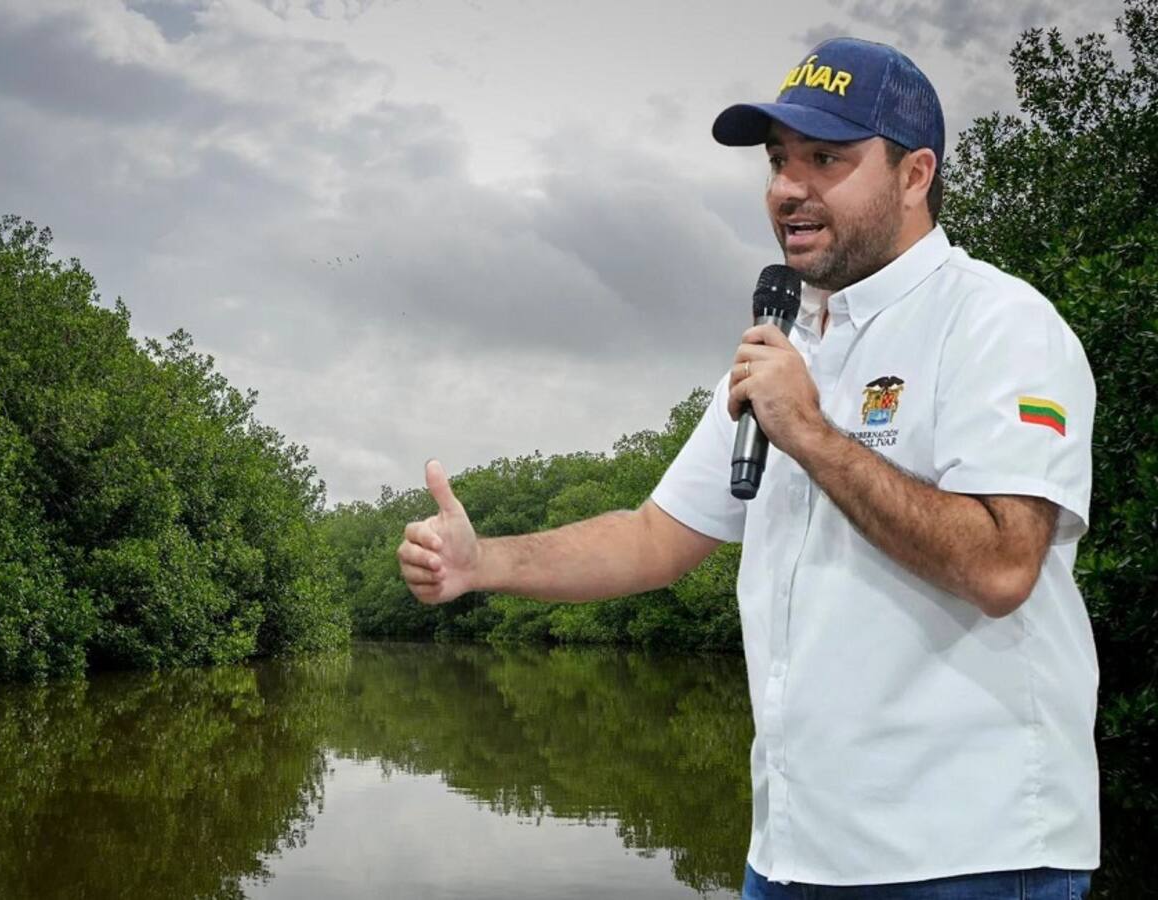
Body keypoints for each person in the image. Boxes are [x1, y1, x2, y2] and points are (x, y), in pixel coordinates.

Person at [397, 37, 1098, 899]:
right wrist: (483, 563)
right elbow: (654, 537)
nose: (786, 188)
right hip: (793, 855)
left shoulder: (1000, 324)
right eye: (777, 161)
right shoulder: (786, 343)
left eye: (826, 158)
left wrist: (810, 431)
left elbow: (1001, 564)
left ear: (916, 175)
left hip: (971, 855)